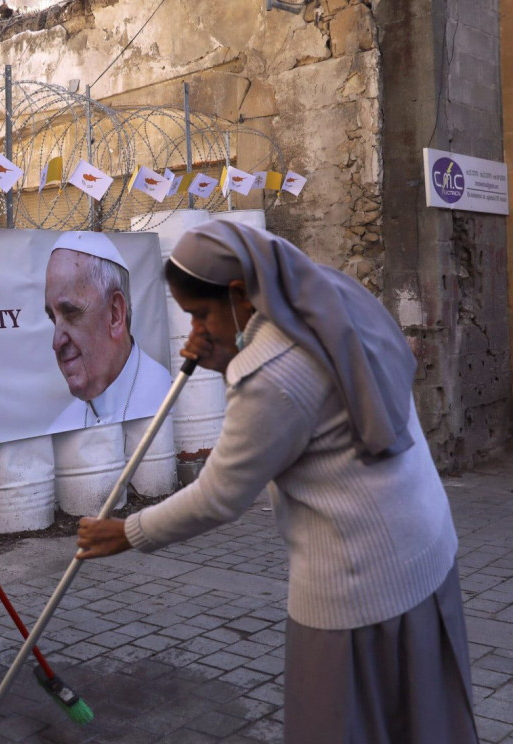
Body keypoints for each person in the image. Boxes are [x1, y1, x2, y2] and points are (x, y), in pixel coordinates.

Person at [75, 220, 478, 743]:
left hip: (361, 584)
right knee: (421, 720)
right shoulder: (325, 294)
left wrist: (128, 532)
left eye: (200, 315)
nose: (195, 331)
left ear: (240, 294)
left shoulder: (272, 372)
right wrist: (225, 353)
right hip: (422, 547)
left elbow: (221, 494)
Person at [44, 230, 171, 433]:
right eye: (53, 318)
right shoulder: (62, 427)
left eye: (70, 313)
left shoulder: (169, 398)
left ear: (115, 313)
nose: (56, 342)